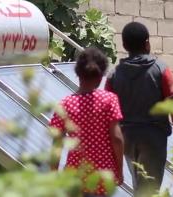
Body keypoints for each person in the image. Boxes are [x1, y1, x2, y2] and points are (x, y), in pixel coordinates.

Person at [105, 22, 173, 197]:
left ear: (124, 45)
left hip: (126, 139)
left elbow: (107, 113)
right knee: (149, 190)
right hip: (153, 139)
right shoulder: (161, 70)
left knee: (139, 187)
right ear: (147, 43)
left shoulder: (114, 75)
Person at [49, 48, 125, 197]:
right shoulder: (109, 100)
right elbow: (117, 138)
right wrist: (120, 171)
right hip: (103, 177)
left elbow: (56, 143)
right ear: (100, 77)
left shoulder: (65, 104)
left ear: (78, 74)